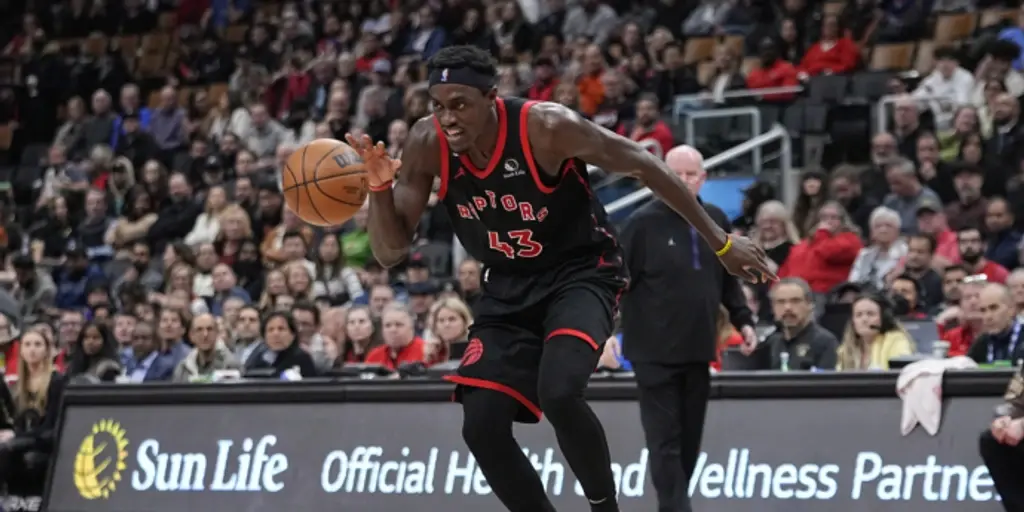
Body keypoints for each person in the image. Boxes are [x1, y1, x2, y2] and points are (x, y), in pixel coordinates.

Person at [345, 45, 774, 512]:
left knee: (559, 391)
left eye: (460, 104)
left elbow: (643, 162)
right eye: (438, 105)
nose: (448, 118)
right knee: (481, 425)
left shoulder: (545, 126)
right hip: (506, 284)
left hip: (581, 272)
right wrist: (379, 188)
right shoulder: (427, 141)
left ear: (492, 97)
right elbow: (390, 252)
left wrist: (721, 243)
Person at [619, 144, 756, 512]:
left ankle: (674, 505)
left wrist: (743, 319)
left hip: (698, 348)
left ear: (703, 178)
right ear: (657, 178)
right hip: (652, 352)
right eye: (674, 174)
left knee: (690, 443)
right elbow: (615, 281)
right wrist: (606, 334)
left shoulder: (716, 219)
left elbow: (728, 278)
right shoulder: (640, 224)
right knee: (664, 441)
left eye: (690, 174)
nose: (682, 181)